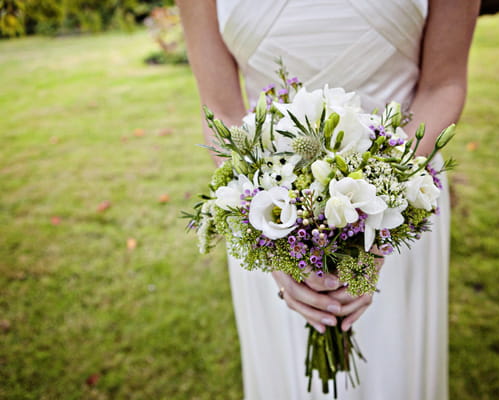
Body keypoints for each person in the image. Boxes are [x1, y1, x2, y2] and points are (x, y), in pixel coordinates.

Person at [177, 1, 479, 399]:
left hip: (401, 201)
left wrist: (385, 206)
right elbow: (221, 107)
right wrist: (274, 237)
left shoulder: (394, 202)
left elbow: (443, 84)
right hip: (269, 209)